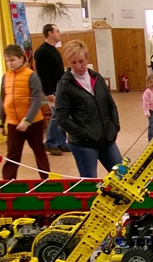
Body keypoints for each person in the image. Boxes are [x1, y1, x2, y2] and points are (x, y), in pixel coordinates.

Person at [53, 40, 122, 178]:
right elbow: (61, 117)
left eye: (81, 61)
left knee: (122, 176)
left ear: (87, 59)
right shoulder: (64, 85)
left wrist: (114, 126)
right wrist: (83, 133)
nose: (78, 66)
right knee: (89, 181)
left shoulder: (98, 78)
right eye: (73, 63)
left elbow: (111, 104)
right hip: (84, 144)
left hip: (107, 139)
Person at [0, 45, 50, 180]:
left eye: (13, 60)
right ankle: (8, 183)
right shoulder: (5, 77)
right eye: (7, 61)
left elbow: (36, 100)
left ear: (22, 58)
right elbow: (2, 100)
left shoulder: (31, 76)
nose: (10, 63)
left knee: (39, 152)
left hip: (33, 123)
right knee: (12, 155)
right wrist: (0, 122)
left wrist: (27, 120)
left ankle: (46, 181)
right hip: (13, 123)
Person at [34, 23, 68, 156]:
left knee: (62, 115)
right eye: (57, 31)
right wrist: (48, 92)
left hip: (60, 88)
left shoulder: (53, 50)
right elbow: (42, 74)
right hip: (52, 90)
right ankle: (51, 143)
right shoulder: (42, 52)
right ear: (50, 33)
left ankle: (61, 142)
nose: (60, 33)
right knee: (57, 116)